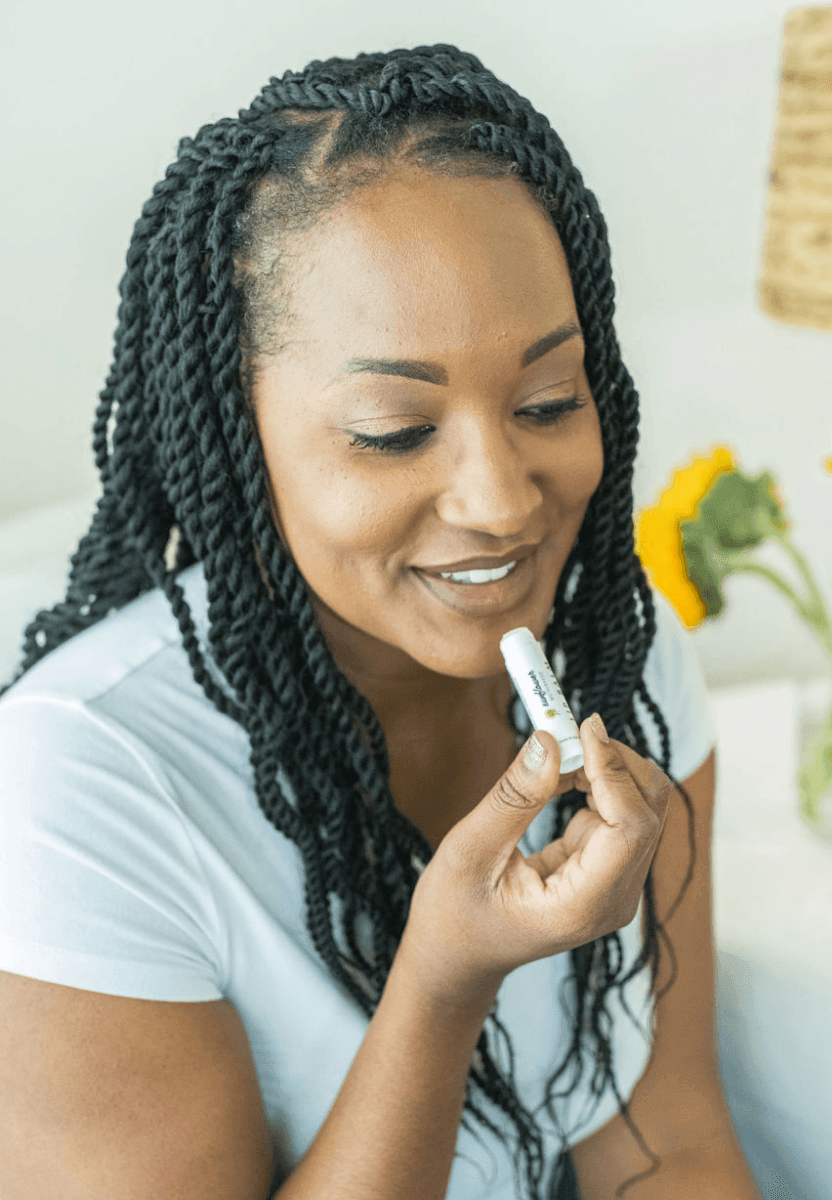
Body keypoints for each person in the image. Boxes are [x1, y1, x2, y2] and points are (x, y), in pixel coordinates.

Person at [0, 44, 761, 1200]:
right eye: (395, 432)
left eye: (547, 402)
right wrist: (444, 980)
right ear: (237, 444)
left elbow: (670, 1152)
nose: (500, 501)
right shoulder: (77, 788)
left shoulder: (619, 659)